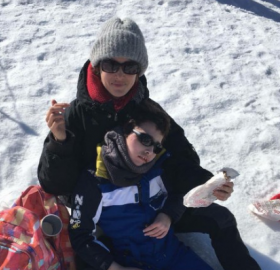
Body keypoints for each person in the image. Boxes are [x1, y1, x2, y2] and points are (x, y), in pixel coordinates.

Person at [38, 17, 261, 270]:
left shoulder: (149, 112)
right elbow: (55, 185)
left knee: (220, 219)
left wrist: (207, 186)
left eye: (130, 67)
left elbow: (180, 161)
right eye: (111, 64)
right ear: (98, 67)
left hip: (152, 205)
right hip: (101, 214)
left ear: (140, 71)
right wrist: (59, 142)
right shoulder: (75, 115)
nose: (120, 75)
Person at [69, 99, 213, 270]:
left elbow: (181, 192)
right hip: (129, 262)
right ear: (126, 130)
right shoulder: (95, 181)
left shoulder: (160, 166)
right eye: (145, 139)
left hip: (174, 255)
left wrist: (168, 215)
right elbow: (80, 236)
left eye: (157, 147)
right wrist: (115, 268)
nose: (150, 151)